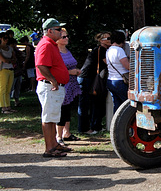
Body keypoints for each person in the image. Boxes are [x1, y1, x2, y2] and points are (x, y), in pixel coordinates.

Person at [35, 18, 71, 158]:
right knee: (49, 119)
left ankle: (54, 144)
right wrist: (53, 80)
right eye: (58, 29)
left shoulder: (51, 44)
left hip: (52, 87)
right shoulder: (46, 44)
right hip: (50, 87)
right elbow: (41, 65)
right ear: (49, 31)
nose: (61, 32)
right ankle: (49, 148)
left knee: (52, 118)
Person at [77, 32, 111, 134]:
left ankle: (95, 126)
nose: (110, 40)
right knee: (84, 104)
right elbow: (109, 63)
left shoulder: (101, 50)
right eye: (108, 38)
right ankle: (84, 128)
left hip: (89, 79)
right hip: (86, 78)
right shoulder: (102, 50)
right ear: (101, 41)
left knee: (94, 102)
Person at [55, 28, 82, 145]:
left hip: (71, 84)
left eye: (67, 36)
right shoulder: (56, 51)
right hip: (62, 84)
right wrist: (70, 72)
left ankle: (67, 133)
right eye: (63, 37)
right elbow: (56, 69)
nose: (66, 39)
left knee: (68, 109)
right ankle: (58, 136)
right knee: (62, 110)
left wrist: (76, 71)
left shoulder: (66, 50)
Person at [106, 30, 129, 114]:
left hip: (111, 80)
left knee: (117, 106)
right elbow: (127, 66)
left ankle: (117, 125)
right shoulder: (119, 50)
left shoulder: (108, 50)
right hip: (120, 81)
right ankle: (130, 126)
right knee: (128, 106)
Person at [0, 32, 16, 114]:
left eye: (8, 38)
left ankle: (8, 106)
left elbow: (14, 59)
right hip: (3, 70)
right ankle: (3, 107)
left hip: (11, 69)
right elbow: (3, 59)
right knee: (3, 89)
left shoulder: (10, 48)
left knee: (9, 89)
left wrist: (9, 60)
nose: (6, 39)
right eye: (5, 38)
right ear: (0, 38)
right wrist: (9, 60)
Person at [8, 37, 25, 108]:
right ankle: (7, 103)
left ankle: (16, 101)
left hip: (18, 71)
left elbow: (21, 58)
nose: (14, 45)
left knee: (17, 87)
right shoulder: (9, 51)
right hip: (12, 71)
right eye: (13, 44)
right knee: (10, 87)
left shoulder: (17, 51)